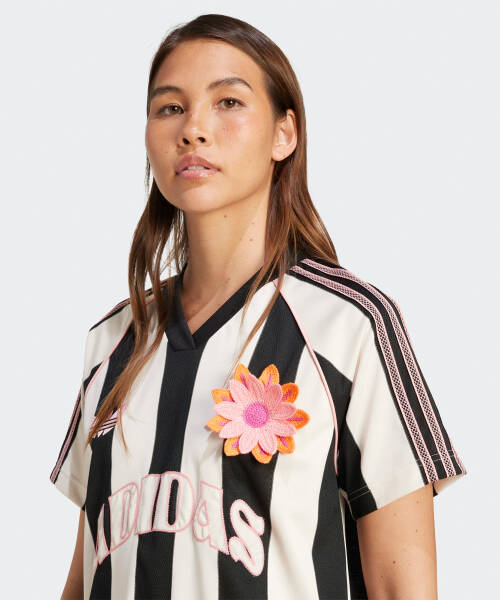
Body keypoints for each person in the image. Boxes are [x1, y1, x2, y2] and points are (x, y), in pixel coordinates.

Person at [49, 13, 467, 600]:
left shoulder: (349, 327)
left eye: (228, 102)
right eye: (170, 107)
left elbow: (403, 586)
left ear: (284, 134)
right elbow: (88, 572)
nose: (194, 129)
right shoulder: (114, 340)